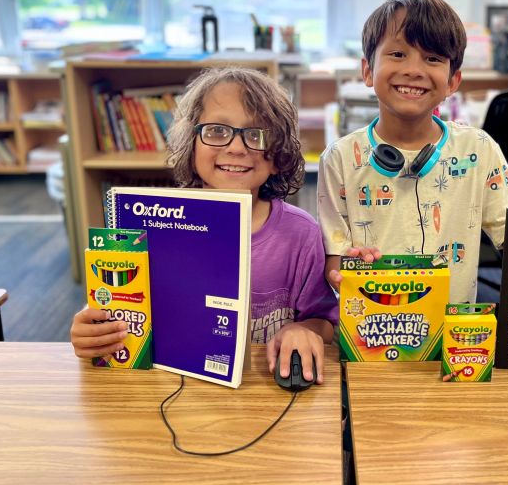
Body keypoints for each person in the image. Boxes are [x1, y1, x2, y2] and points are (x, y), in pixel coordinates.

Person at [318, 0, 508, 299]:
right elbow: (334, 258)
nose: (414, 69)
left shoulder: (477, 150)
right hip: (374, 322)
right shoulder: (340, 158)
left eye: (433, 58)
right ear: (368, 71)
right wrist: (349, 267)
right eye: (398, 54)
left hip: (454, 326)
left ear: (453, 81)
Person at [71, 67, 337, 383]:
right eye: (217, 131)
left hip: (263, 386)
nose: (236, 148)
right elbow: (115, 307)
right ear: (191, 143)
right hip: (166, 385)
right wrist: (93, 329)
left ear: (278, 155)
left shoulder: (301, 234)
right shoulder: (151, 227)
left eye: (256, 135)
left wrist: (303, 329)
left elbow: (325, 321)